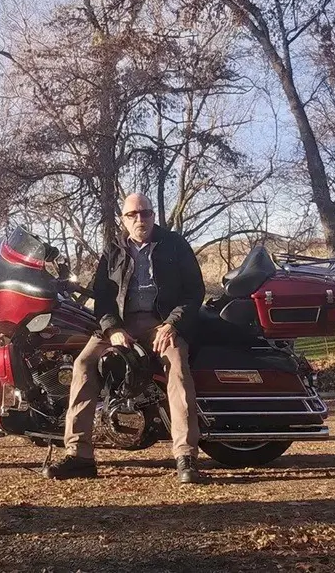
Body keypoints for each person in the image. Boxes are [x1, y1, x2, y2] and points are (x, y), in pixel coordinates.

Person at [43, 193, 206, 484]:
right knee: (83, 364)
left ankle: (186, 457)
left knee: (178, 369)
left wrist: (172, 324)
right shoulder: (114, 250)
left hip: (161, 323)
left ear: (154, 215)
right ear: (124, 219)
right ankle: (79, 456)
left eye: (145, 213)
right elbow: (103, 298)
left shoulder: (175, 245)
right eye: (133, 214)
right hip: (120, 324)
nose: (140, 219)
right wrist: (112, 329)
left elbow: (194, 292)